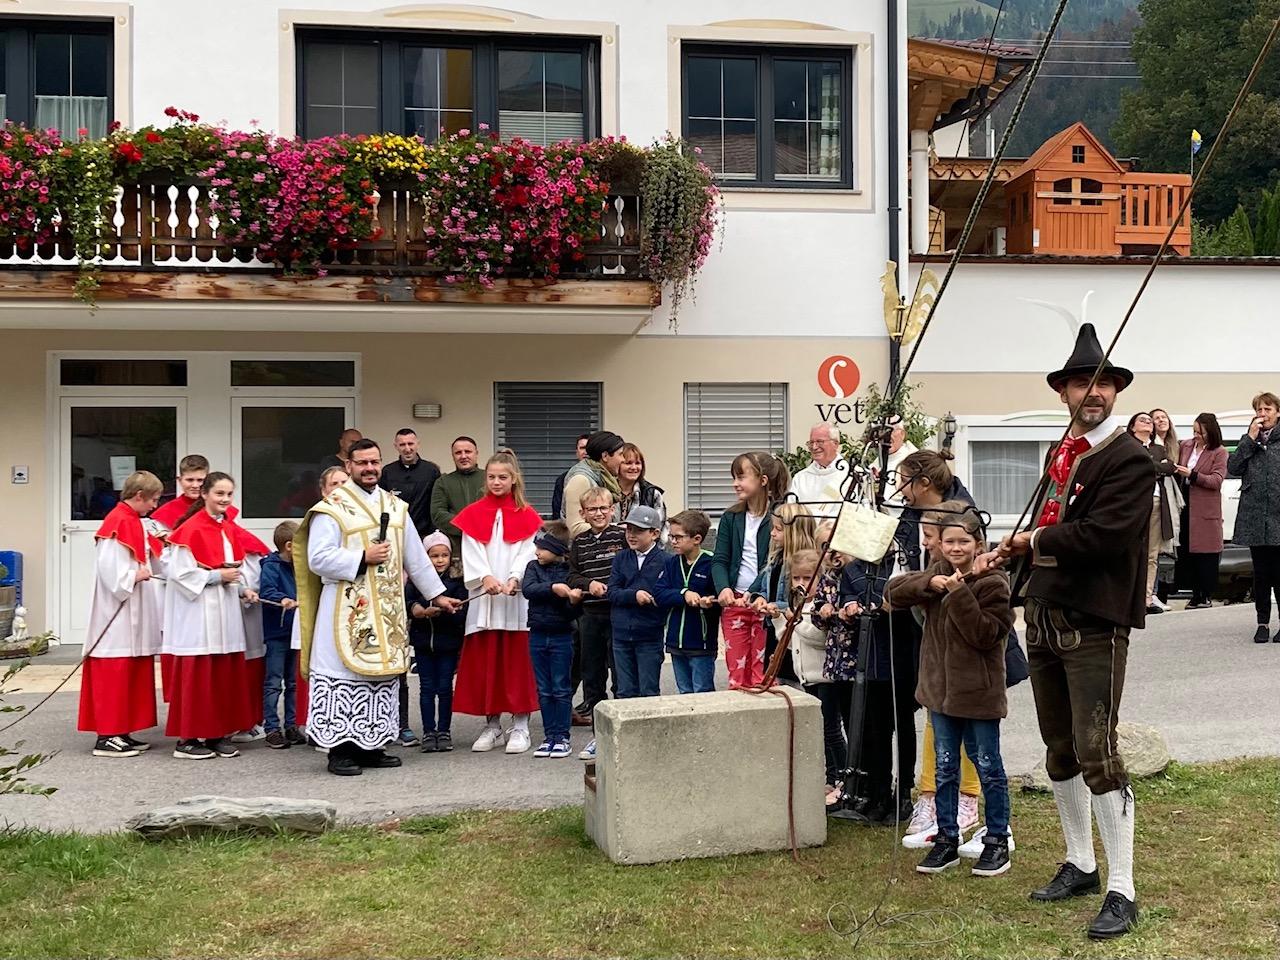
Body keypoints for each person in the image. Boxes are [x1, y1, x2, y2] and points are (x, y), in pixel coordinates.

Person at [988, 323, 1152, 941]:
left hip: (1095, 623)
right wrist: (1015, 554)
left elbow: (1104, 537)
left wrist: (1034, 540)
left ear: (1116, 391)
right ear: (1063, 392)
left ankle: (1122, 887)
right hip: (1046, 615)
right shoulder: (1065, 455)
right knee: (1059, 750)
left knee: (1097, 753)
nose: (1093, 392)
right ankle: (1081, 863)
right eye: (1082, 381)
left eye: (1103, 382)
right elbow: (1057, 525)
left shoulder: (1130, 458)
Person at [295, 439, 460, 776]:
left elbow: (415, 555)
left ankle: (372, 745)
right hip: (344, 609)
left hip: (385, 609)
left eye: (374, 462)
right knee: (344, 675)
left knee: (380, 676)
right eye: (362, 463)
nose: (369, 468)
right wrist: (361, 557)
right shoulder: (333, 508)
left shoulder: (394, 506)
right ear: (349, 467)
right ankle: (340, 751)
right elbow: (318, 558)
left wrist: (436, 595)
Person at [888, 506, 1016, 878]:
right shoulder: (936, 575)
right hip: (939, 694)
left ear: (979, 544)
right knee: (945, 769)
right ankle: (946, 838)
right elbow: (894, 591)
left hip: (977, 695)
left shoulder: (994, 583)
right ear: (938, 546)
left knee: (988, 767)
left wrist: (959, 590)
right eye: (948, 542)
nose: (956, 548)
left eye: (964, 541)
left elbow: (985, 634)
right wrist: (933, 584)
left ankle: (996, 840)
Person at [163, 472, 270, 760]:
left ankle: (216, 734)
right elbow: (180, 573)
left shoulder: (228, 529)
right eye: (219, 494)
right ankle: (187, 739)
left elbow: (234, 570)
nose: (224, 499)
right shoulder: (190, 529)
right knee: (199, 675)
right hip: (198, 615)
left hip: (225, 612)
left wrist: (243, 588)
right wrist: (215, 576)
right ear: (205, 495)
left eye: (228, 495)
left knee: (222, 674)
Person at [452, 450, 543, 754]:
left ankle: (520, 724)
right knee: (486, 661)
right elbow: (472, 549)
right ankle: (492, 725)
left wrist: (516, 577)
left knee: (517, 663)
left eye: (502, 477)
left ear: (514, 479)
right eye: (491, 477)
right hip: (485, 599)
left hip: (514, 600)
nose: (496, 482)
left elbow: (527, 551)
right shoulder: (474, 513)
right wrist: (485, 577)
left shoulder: (527, 515)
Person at [78, 470, 165, 758]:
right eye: (152, 499)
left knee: (130, 669)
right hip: (116, 613)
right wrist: (133, 575)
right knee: (114, 670)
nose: (154, 505)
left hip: (133, 611)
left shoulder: (133, 521)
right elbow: (110, 571)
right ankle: (107, 735)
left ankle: (123, 730)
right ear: (138, 496)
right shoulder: (116, 523)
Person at [711, 452, 791, 689]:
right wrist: (723, 587)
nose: (735, 483)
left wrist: (755, 592)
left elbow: (774, 562)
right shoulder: (731, 517)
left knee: (764, 674)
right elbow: (720, 559)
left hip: (765, 604)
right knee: (737, 673)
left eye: (741, 477)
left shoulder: (779, 517)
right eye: (734, 477)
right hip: (736, 602)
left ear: (763, 480)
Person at [567, 487, 624, 761]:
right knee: (592, 674)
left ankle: (621, 728)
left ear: (612, 510)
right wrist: (589, 584)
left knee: (619, 673)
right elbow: (573, 576)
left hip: (616, 613)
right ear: (583, 513)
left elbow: (628, 570)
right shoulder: (579, 543)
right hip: (589, 615)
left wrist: (611, 587)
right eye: (592, 509)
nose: (599, 513)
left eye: (603, 508)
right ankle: (596, 734)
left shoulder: (622, 536)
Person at [522, 521, 583, 758]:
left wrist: (573, 601)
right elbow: (529, 589)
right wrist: (553, 588)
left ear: (557, 549)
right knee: (544, 689)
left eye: (542, 547)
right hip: (537, 634)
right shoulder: (532, 567)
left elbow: (572, 614)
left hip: (561, 636)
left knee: (560, 687)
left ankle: (562, 737)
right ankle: (549, 736)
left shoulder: (569, 572)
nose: (537, 551)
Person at [407, 532, 469, 753]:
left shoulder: (456, 582)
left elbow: (462, 612)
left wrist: (443, 611)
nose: (440, 560)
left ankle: (444, 731)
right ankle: (428, 731)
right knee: (426, 689)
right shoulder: (416, 581)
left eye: (444, 555)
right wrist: (419, 611)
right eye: (434, 556)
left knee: (444, 688)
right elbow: (408, 602)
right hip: (423, 643)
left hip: (447, 644)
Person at [1227, 391, 1280, 643]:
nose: (1262, 415)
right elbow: (1233, 468)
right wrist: (1249, 439)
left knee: (1279, 573)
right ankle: (1262, 624)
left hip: (1279, 516)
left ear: (1277, 413)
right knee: (1261, 573)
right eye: (1259, 410)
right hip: (1255, 516)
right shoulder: (1249, 440)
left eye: (1267, 409)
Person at [654, 509, 719, 694]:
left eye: (678, 537)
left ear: (697, 539)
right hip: (675, 643)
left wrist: (709, 602)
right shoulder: (671, 563)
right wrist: (684, 594)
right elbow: (659, 593)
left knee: (702, 692)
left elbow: (720, 598)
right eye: (671, 536)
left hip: (701, 642)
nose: (672, 541)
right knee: (683, 692)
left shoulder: (712, 563)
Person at [608, 505, 668, 698]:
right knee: (624, 691)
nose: (631, 535)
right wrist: (634, 595)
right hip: (621, 634)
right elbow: (612, 591)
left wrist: (647, 596)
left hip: (649, 634)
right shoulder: (621, 558)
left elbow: (663, 594)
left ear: (655, 533)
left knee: (648, 691)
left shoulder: (666, 561)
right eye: (629, 529)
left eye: (639, 530)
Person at [1126, 413, 1180, 615]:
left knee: (1152, 553)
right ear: (1132, 427)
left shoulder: (1158, 448)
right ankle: (1128, 596)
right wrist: (1156, 466)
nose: (1148, 422)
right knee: (1131, 549)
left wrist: (1149, 465)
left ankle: (1146, 599)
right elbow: (1133, 469)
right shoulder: (1126, 446)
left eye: (1150, 420)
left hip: (1156, 501)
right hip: (1133, 503)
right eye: (1142, 420)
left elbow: (1170, 466)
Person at [1176, 414, 1229, 609]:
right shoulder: (1186, 446)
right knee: (1188, 549)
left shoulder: (1219, 452)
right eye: (1194, 431)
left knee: (1206, 552)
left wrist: (1193, 474)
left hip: (1205, 506)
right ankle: (1193, 593)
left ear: (1211, 432)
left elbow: (1216, 480)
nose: (1196, 436)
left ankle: (1205, 593)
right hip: (1185, 503)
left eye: (1200, 432)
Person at [259, 520, 302, 750]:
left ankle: (291, 725)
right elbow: (267, 591)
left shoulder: (299, 566)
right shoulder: (271, 565)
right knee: (274, 681)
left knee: (293, 681)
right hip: (277, 632)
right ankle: (272, 728)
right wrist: (282, 599)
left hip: (295, 631)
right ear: (288, 546)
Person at [150, 454, 240, 533]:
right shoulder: (166, 512)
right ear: (180, 480)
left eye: (200, 480)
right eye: (190, 480)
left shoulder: (222, 509)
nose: (195, 485)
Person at [379, 428, 442, 537]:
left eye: (410, 444)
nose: (407, 449)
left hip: (425, 534)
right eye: (402, 445)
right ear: (396, 446)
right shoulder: (388, 472)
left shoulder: (431, 471)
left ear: (418, 444)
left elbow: (437, 504)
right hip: (396, 533)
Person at [430, 437, 486, 557]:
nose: (463, 456)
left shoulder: (490, 478)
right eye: (458, 453)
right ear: (453, 456)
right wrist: (467, 526)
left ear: (476, 453)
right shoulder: (443, 482)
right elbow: (438, 514)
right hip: (457, 550)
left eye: (468, 451)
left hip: (487, 546)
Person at [562, 431, 626, 536]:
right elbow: (575, 527)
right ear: (605, 456)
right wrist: (618, 530)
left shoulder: (605, 479)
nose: (623, 459)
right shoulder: (580, 480)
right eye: (620, 454)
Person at [789, 424, 850, 517]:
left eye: (820, 442)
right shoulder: (800, 478)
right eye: (811, 442)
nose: (814, 447)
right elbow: (790, 512)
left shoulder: (851, 476)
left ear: (835, 444)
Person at [614, 442, 668, 537]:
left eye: (638, 463)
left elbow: (659, 528)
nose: (634, 467)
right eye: (628, 463)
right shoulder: (605, 491)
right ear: (617, 465)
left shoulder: (652, 494)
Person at [551, 433, 590, 522]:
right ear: (576, 452)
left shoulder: (602, 477)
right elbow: (557, 513)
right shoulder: (563, 479)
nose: (586, 452)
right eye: (582, 448)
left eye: (589, 448)